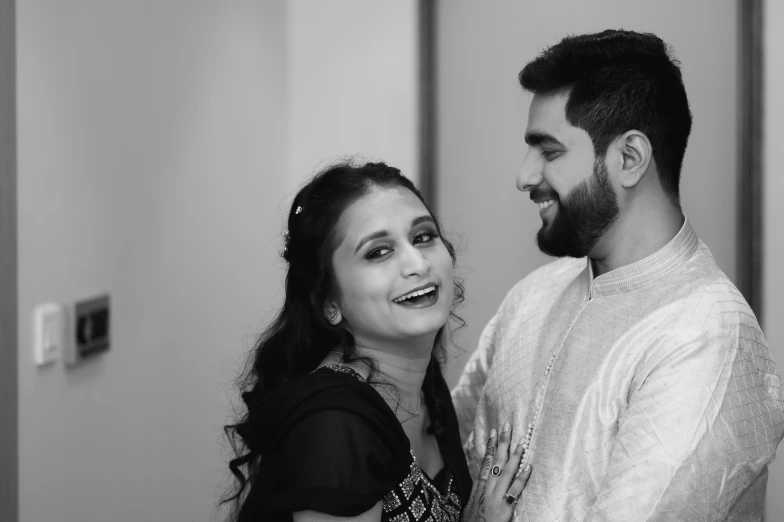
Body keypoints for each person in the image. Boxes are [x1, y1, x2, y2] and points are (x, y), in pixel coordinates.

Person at [451, 29, 784, 521]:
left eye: (549, 150)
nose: (524, 175)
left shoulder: (705, 333)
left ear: (629, 158)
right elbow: (447, 456)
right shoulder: (534, 295)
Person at [222, 161, 531, 522]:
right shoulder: (335, 425)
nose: (417, 263)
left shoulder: (427, 390)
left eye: (423, 236)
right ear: (329, 304)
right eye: (378, 252)